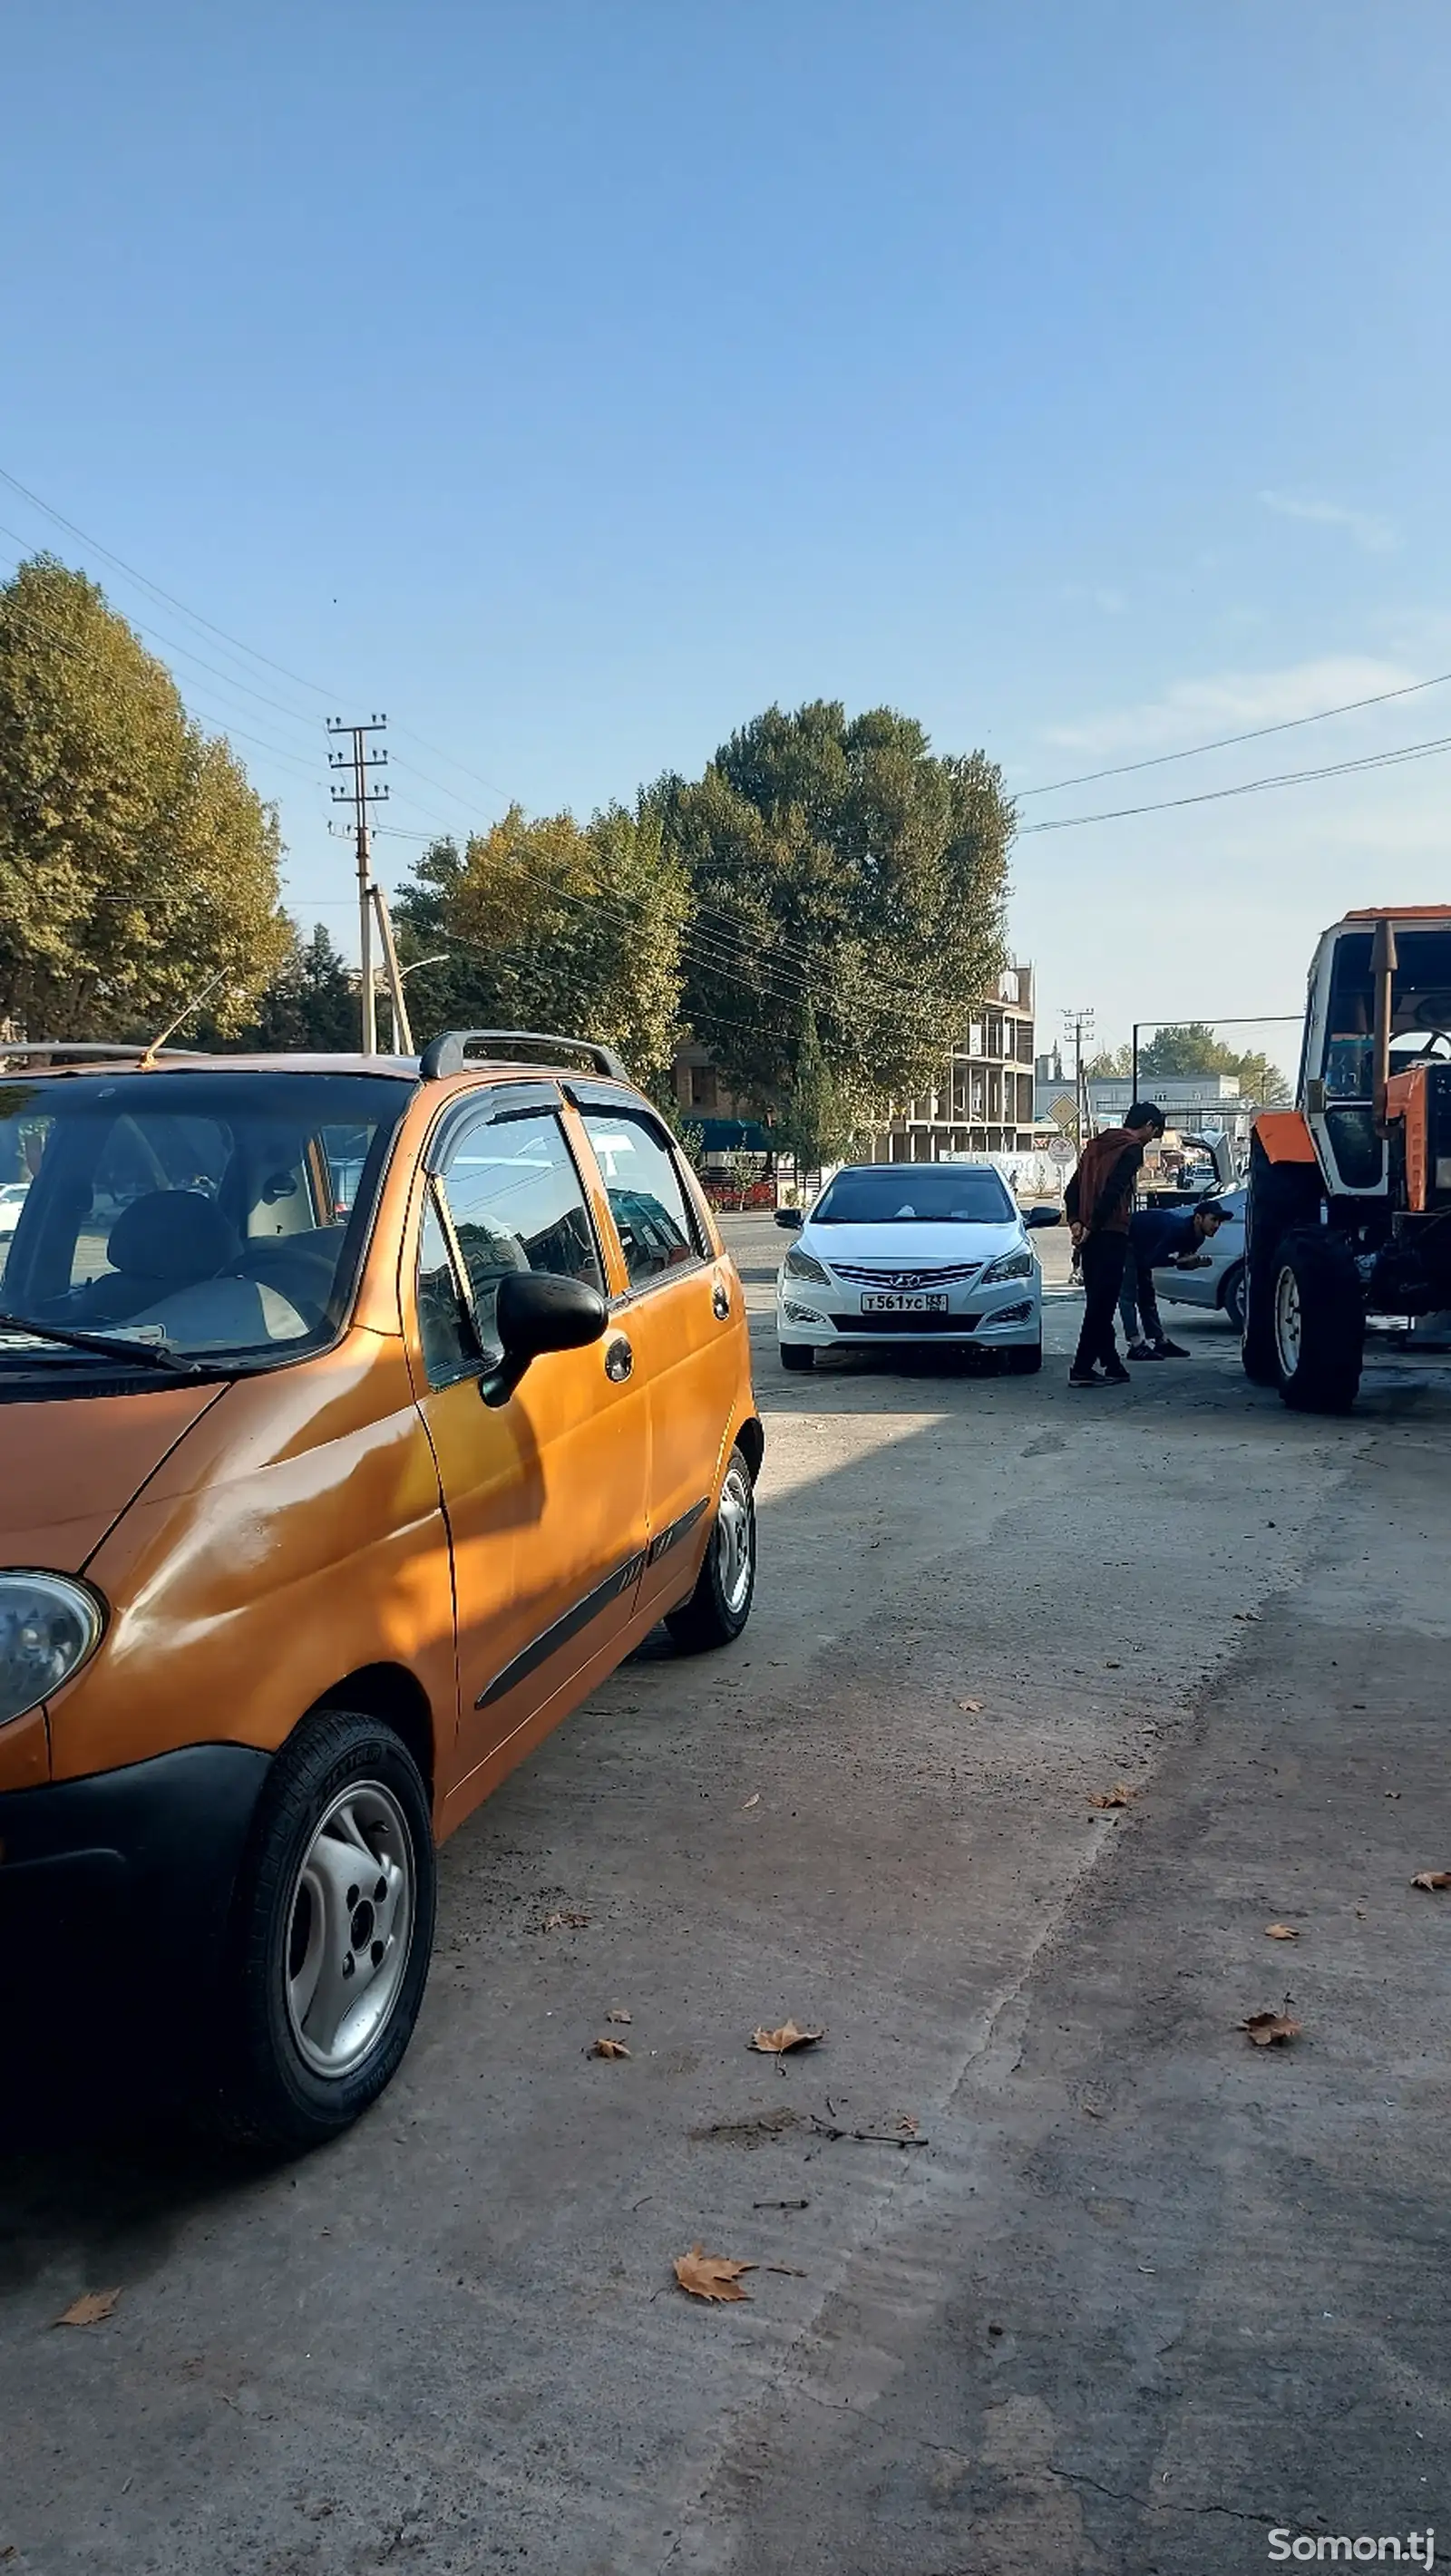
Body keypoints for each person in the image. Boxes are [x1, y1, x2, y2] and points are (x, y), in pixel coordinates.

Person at [1064, 1102, 1166, 1387]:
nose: (1150, 1140)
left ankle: (1112, 1364)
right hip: (1110, 1233)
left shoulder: (1096, 1145)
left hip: (1088, 1234)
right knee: (1102, 1305)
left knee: (1098, 1300)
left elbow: (1072, 1190)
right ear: (1148, 1126)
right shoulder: (1130, 1149)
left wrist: (1076, 1222)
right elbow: (1114, 1191)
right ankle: (1082, 1367)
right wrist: (1094, 1226)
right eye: (1153, 1133)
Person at [1118, 1199, 1226, 1357]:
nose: (1217, 1226)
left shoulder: (1198, 1236)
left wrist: (1194, 1264)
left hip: (1143, 1247)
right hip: (1127, 1240)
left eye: (1219, 1221)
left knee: (1147, 1295)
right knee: (1128, 1294)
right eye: (1213, 1220)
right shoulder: (1177, 1230)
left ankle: (1159, 1341)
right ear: (1198, 1218)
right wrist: (1179, 1260)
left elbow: (1181, 1263)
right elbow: (1153, 1260)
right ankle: (1135, 1344)